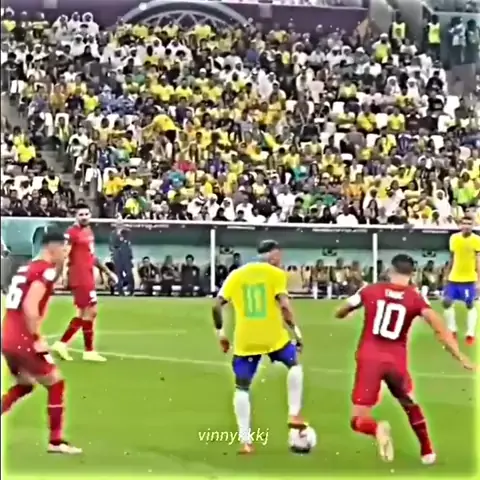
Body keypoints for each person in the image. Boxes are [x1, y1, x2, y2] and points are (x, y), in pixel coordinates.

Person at [335, 254, 475, 464]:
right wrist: (460, 356)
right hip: (396, 360)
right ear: (412, 274)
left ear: (391, 270)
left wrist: (345, 312)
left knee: (358, 419)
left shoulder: (370, 290)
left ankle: (376, 429)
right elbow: (438, 327)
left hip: (369, 358)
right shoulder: (415, 297)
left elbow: (341, 310)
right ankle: (427, 451)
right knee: (409, 402)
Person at [211, 240, 306, 454]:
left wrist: (221, 334)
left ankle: (246, 442)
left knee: (242, 387)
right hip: (274, 337)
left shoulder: (236, 275)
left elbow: (216, 305)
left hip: (246, 340)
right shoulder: (276, 274)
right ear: (272, 255)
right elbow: (285, 307)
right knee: (294, 366)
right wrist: (297, 334)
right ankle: (294, 413)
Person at [1, 230, 82, 454]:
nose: (66, 252)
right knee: (55, 382)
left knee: (25, 384)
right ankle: (56, 441)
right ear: (51, 247)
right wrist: (37, 338)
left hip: (7, 336)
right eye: (64, 247)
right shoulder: (44, 270)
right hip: (23, 339)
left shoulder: (27, 268)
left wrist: (61, 266)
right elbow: (30, 306)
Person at [51, 203, 118, 362]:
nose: (84, 217)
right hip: (79, 276)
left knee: (84, 313)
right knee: (91, 311)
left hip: (87, 275)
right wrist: (61, 275)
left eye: (86, 214)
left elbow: (92, 256)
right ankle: (84, 350)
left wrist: (107, 272)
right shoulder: (71, 233)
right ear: (75, 216)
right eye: (81, 215)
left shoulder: (88, 232)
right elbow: (64, 255)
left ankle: (67, 346)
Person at [442, 216, 480, 345]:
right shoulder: (454, 238)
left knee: (469, 305)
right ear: (460, 225)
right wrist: (446, 274)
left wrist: (478, 281)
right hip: (454, 278)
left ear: (473, 226)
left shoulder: (476, 240)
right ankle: (452, 330)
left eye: (469, 224)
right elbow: (452, 257)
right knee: (447, 302)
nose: (467, 226)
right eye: (464, 223)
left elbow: (478, 261)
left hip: (469, 279)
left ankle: (470, 334)